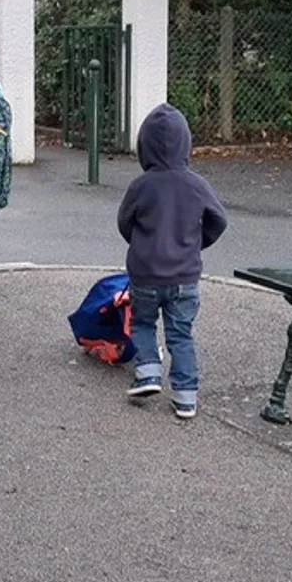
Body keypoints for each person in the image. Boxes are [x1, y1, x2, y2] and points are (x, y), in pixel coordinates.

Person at [116, 103, 228, 419]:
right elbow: (218, 220)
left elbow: (125, 221)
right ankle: (185, 396)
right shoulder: (197, 184)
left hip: (145, 274)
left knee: (142, 323)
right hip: (184, 276)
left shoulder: (141, 185)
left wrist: (140, 245)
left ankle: (149, 372)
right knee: (181, 333)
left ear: (143, 147)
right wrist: (196, 243)